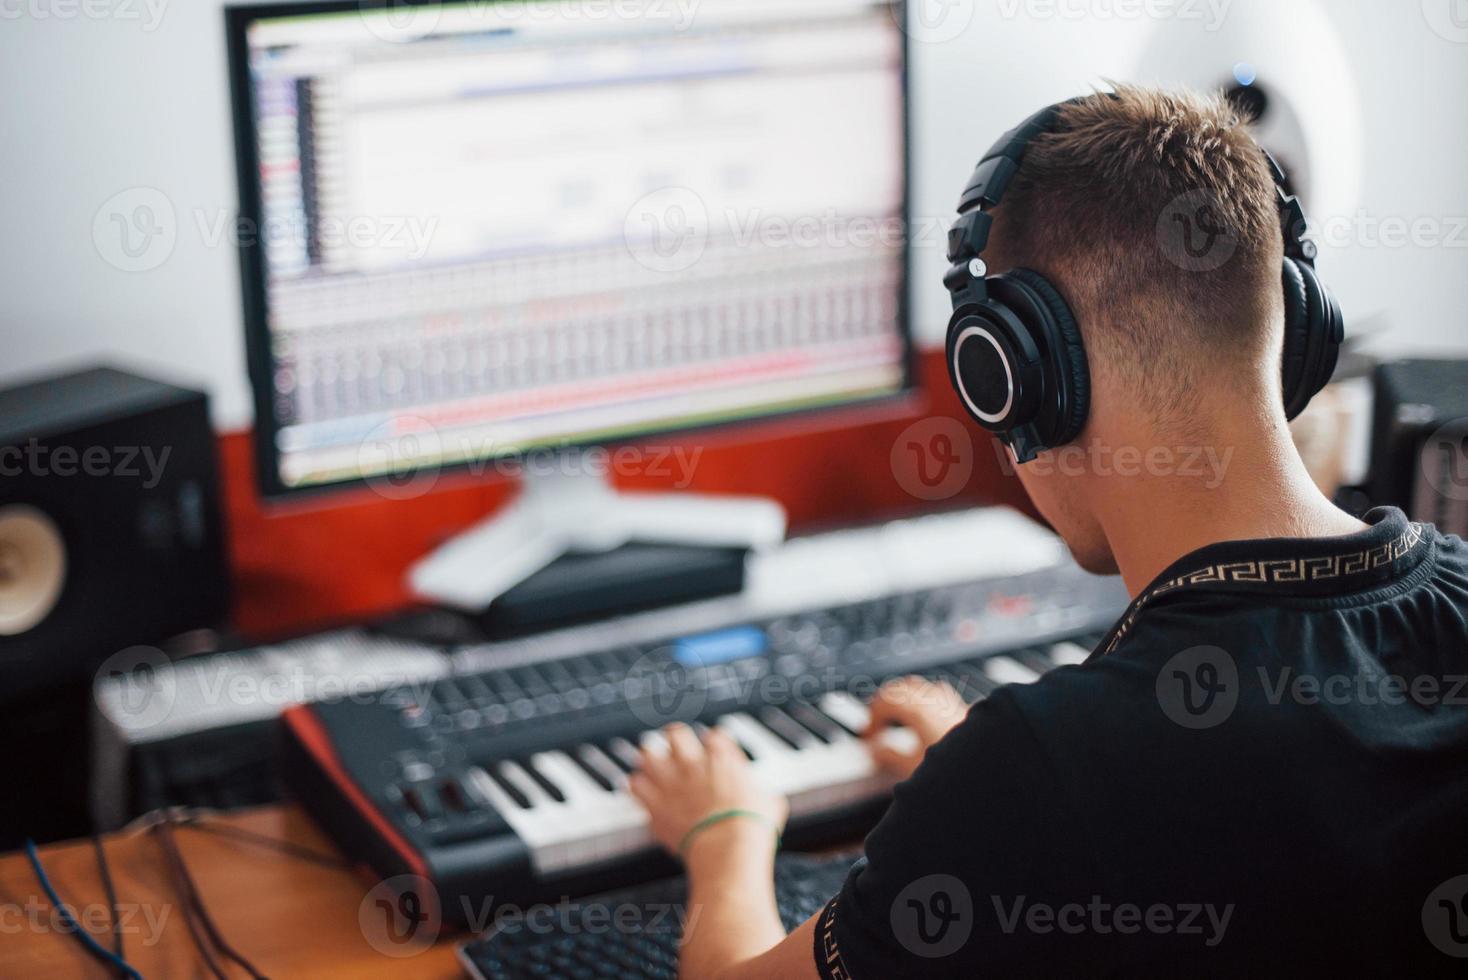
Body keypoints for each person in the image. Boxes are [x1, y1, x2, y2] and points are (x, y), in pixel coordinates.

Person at [628, 84, 1468, 977]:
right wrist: (980, 786)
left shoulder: (1045, 771)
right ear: (1292, 330)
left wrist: (727, 834)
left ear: (1017, 376)